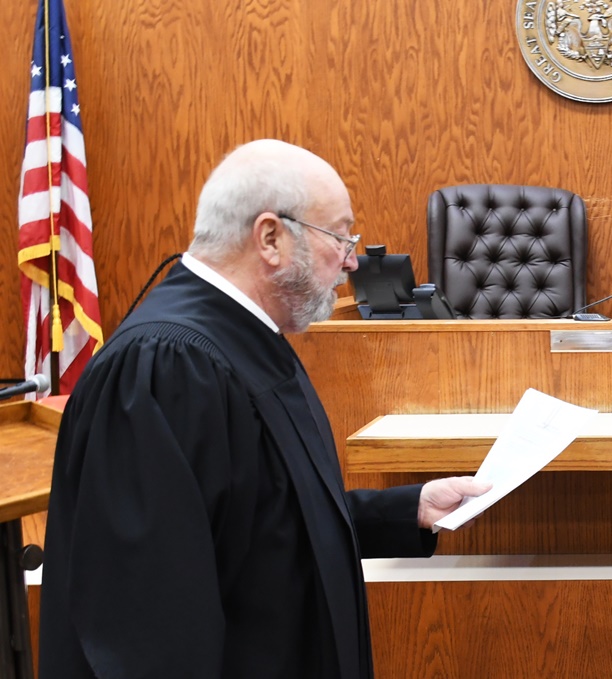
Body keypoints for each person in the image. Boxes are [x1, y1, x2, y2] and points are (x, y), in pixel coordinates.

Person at [38, 139, 492, 678]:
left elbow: (263, 521)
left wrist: (406, 508)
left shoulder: (242, 338)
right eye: (340, 236)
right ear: (271, 238)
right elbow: (150, 626)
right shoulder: (167, 365)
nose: (351, 261)